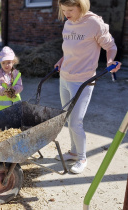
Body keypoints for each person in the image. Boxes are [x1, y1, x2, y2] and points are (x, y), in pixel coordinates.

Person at [54, 0, 121, 174]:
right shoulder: (68, 23)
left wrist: (110, 61)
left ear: (81, 6)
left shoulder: (94, 24)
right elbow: (70, 49)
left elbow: (110, 46)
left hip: (82, 81)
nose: (66, 14)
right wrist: (62, 60)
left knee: (76, 121)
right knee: (68, 118)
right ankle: (74, 151)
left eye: (70, 9)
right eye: (63, 10)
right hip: (65, 77)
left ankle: (82, 157)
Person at [0, 46, 23, 112]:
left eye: (9, 62)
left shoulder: (16, 74)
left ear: (13, 62)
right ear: (0, 63)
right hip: (2, 108)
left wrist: (14, 90)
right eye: (3, 63)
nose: (6, 65)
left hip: (15, 106)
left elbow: (20, 86)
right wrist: (4, 91)